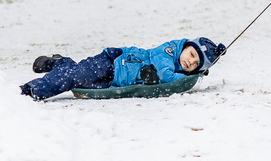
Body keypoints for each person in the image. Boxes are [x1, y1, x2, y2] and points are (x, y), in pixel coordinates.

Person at [19, 37, 224, 101]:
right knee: (72, 77)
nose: (191, 62)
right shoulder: (167, 53)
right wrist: (193, 75)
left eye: (196, 64)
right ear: (186, 46)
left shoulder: (179, 69)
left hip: (113, 82)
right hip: (113, 61)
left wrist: (197, 73)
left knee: (79, 83)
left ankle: (60, 63)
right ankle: (29, 91)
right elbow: (166, 74)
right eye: (192, 54)